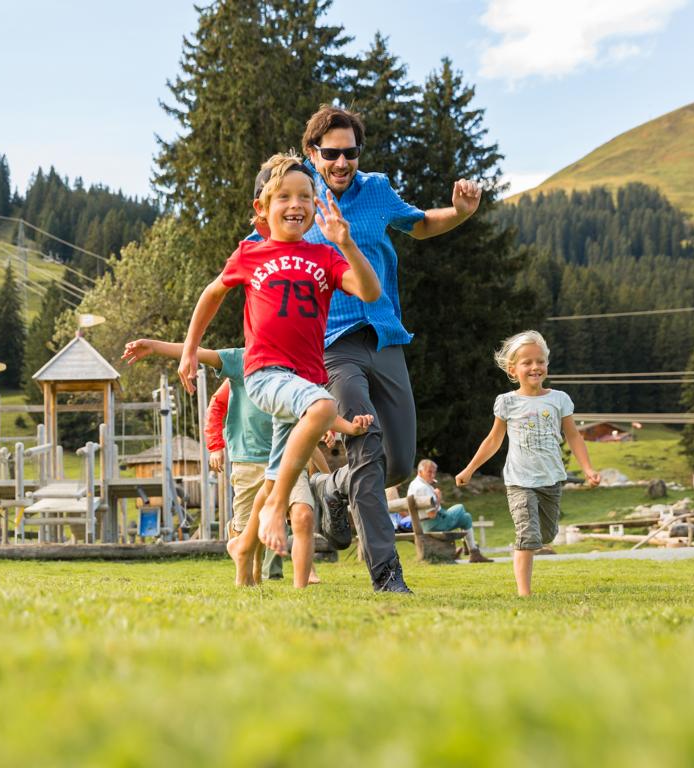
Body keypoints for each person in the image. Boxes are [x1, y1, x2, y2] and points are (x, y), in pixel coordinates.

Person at [263, 105, 483, 593]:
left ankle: (333, 489)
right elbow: (269, 244)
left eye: (351, 153)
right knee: (366, 448)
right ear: (311, 153)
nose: (342, 163)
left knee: (399, 461)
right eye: (331, 154)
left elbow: (421, 224)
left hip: (384, 334)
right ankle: (387, 573)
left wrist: (461, 214)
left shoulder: (377, 190)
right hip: (332, 344)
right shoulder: (301, 197)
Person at [176, 152, 381, 563]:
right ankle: (272, 509)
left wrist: (346, 242)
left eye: (305, 196)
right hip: (267, 373)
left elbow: (370, 291)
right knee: (323, 407)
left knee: (275, 475)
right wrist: (188, 350)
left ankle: (243, 547)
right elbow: (212, 294)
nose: (296, 205)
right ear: (262, 209)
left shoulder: (326, 257)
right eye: (284, 197)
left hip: (305, 379)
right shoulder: (251, 254)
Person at [122, 340, 321, 588]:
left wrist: (328, 425)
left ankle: (304, 583)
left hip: (286, 458)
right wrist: (154, 346)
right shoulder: (242, 361)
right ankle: (249, 562)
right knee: (249, 526)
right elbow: (204, 363)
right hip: (248, 459)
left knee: (302, 515)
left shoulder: (299, 362)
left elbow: (314, 403)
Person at [455, 331, 601, 597]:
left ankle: (535, 547)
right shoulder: (507, 402)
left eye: (540, 361)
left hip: (551, 479)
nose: (535, 367)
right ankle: (525, 593)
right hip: (519, 481)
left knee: (546, 534)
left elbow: (574, 436)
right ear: (513, 369)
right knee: (527, 535)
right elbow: (493, 440)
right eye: (527, 362)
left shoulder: (559, 399)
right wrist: (469, 469)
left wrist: (589, 469)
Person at [406, 459, 491, 562]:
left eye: (434, 472)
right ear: (420, 472)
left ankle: (473, 552)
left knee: (466, 517)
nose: (432, 475)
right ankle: (471, 550)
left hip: (424, 524)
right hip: (435, 523)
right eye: (429, 472)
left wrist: (431, 487)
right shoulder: (423, 488)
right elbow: (432, 514)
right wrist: (438, 498)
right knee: (460, 507)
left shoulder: (414, 484)